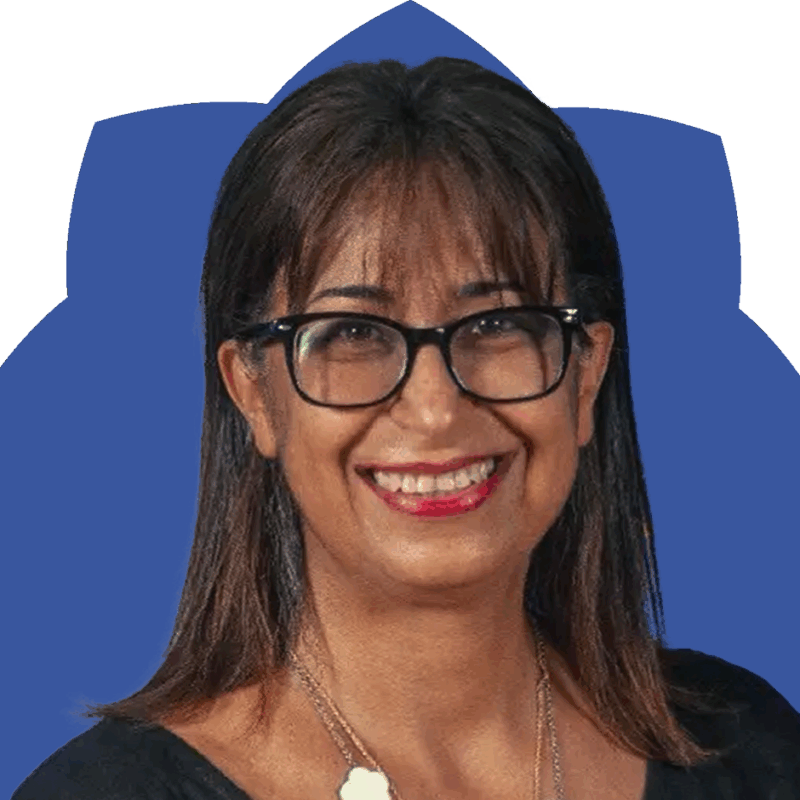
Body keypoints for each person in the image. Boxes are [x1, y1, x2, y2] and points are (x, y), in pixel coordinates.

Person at [12, 57, 799, 800]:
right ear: (253, 392)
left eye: (497, 323)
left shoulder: (748, 749)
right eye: (354, 333)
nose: (434, 408)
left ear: (586, 374)